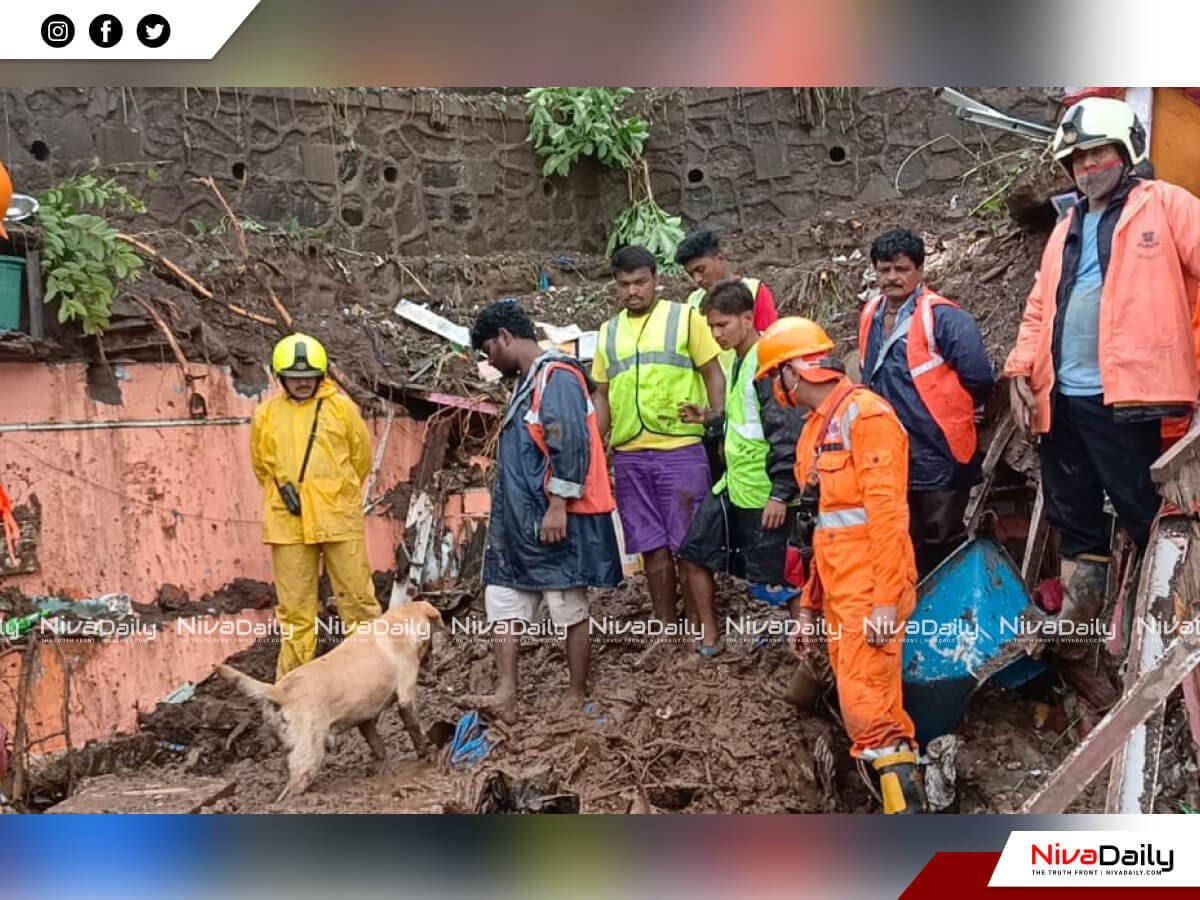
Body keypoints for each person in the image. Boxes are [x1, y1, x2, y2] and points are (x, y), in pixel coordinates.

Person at [1006, 96, 1200, 652]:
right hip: (1061, 397)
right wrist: (1021, 367)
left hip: (1128, 394)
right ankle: (1080, 616)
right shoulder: (1067, 224)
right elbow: (1040, 305)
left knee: (1144, 506)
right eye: (1079, 160)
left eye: (1100, 155)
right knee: (1073, 507)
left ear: (1128, 151)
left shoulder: (1166, 205)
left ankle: (1171, 616)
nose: (1090, 169)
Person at [758, 316, 927, 815]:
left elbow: (888, 519)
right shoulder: (817, 429)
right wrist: (809, 608)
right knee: (863, 713)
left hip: (871, 591)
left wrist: (883, 604)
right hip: (840, 588)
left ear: (792, 372)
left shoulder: (866, 417)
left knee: (873, 715)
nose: (774, 389)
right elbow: (822, 528)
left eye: (774, 376)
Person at [465, 300, 622, 722]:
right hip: (518, 522)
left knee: (568, 603)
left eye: (488, 351)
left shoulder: (557, 378)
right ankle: (506, 693)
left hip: (551, 517)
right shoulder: (529, 381)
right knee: (502, 599)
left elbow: (568, 443)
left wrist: (557, 505)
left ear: (504, 337)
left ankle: (575, 693)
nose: (490, 362)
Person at [592, 245, 726, 630]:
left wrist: (715, 420)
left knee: (690, 546)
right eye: (624, 285)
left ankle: (706, 631)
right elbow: (601, 394)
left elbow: (712, 373)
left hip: (680, 449)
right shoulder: (608, 332)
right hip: (631, 453)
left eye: (640, 282)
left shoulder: (684, 318)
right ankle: (667, 629)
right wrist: (597, 445)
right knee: (650, 547)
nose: (633, 291)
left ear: (655, 280)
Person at [676, 280, 807, 656]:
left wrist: (782, 494)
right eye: (712, 327)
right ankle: (711, 639)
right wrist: (709, 419)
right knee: (693, 552)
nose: (716, 334)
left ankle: (807, 655)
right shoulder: (739, 360)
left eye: (723, 325)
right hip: (735, 487)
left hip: (765, 492)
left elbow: (786, 432)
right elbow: (745, 421)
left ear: (747, 319)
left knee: (787, 577)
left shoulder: (767, 365)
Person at [859, 229, 994, 577]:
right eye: (884, 270)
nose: (892, 277)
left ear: (919, 271)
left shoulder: (944, 318)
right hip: (891, 450)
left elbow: (978, 375)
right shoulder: (871, 314)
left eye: (901, 269)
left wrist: (959, 406)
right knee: (903, 538)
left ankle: (952, 615)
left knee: (942, 539)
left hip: (939, 450)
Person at [250, 333, 382, 680]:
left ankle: (370, 679)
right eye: (295, 378)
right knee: (295, 611)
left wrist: (332, 495)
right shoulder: (265, 414)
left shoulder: (341, 408)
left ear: (321, 376)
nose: (302, 383)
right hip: (287, 523)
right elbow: (262, 467)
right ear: (281, 379)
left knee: (357, 601)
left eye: (308, 377)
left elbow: (360, 459)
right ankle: (294, 687)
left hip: (338, 519)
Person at [676, 228, 779, 332]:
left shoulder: (754, 291)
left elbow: (770, 338)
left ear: (720, 259)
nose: (697, 279)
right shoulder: (693, 301)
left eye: (701, 269)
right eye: (691, 274)